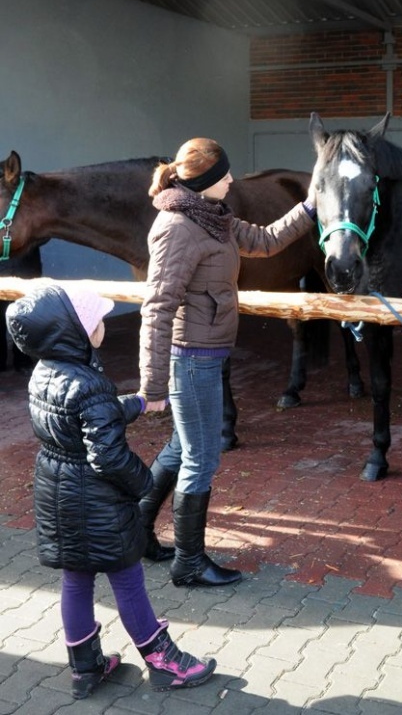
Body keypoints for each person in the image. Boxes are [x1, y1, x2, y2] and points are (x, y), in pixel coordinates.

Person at [5, 282, 216, 697]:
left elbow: (83, 418)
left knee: (76, 580)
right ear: (76, 332)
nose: (102, 325)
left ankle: (85, 668)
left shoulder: (45, 373)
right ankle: (164, 663)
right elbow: (107, 455)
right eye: (97, 321)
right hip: (96, 499)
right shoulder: (89, 384)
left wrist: (138, 403)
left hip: (58, 492)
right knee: (128, 578)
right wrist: (144, 484)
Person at [137, 137, 316, 588]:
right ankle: (190, 563)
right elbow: (158, 307)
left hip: (207, 352)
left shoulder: (213, 217)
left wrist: (311, 207)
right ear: (206, 183)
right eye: (225, 176)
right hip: (190, 358)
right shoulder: (178, 228)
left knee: (183, 449)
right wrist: (153, 386)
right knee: (201, 456)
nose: (233, 180)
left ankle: (136, 533)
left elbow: (266, 240)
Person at [0, 245, 42, 374]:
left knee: (25, 317)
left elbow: (45, 231)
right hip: (3, 270)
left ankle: (23, 359)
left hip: (26, 270)